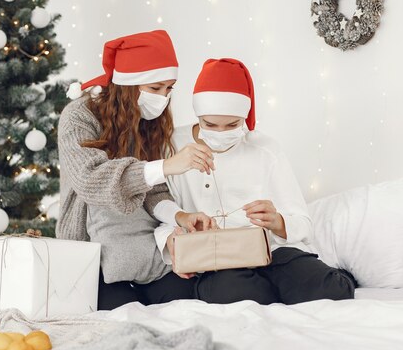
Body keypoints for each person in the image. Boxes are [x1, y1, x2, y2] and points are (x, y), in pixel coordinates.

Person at [155, 58, 356, 305]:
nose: (219, 133)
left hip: (273, 253)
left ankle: (321, 279)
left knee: (333, 291)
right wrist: (173, 239)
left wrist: (278, 221)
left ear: (245, 117)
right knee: (232, 293)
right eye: (209, 124)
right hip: (216, 259)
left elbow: (302, 222)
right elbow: (158, 209)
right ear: (198, 114)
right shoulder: (172, 145)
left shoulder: (265, 149)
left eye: (232, 125)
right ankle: (274, 293)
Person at [57, 30, 216, 310]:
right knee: (125, 316)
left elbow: (151, 189)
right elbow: (90, 180)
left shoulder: (148, 121)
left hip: (146, 248)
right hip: (89, 254)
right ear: (128, 85)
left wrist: (179, 216)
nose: (163, 98)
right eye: (155, 88)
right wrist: (168, 166)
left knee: (186, 303)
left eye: (169, 89)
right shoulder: (77, 117)